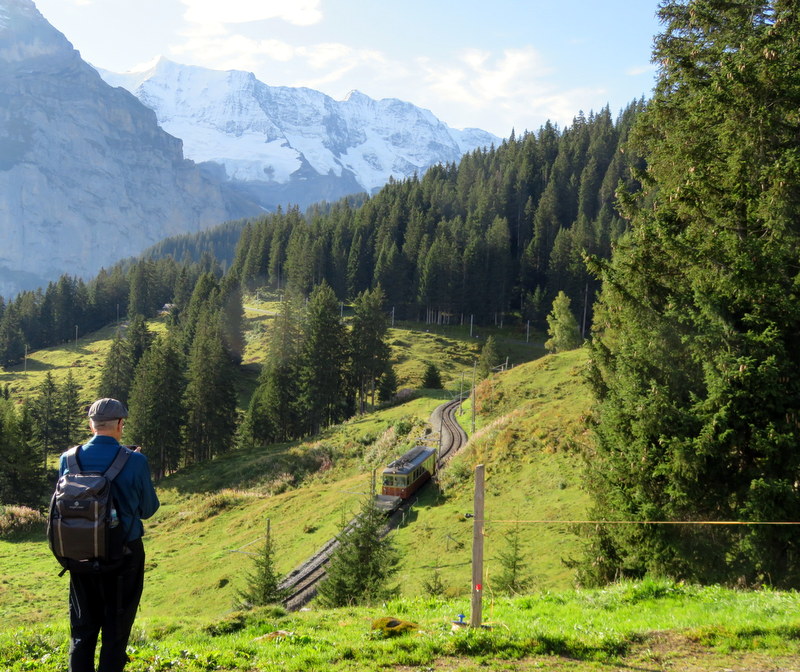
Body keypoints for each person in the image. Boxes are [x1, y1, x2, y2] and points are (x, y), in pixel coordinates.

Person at [58, 397, 160, 672]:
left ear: (91, 425)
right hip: (124, 554)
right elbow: (148, 509)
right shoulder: (136, 461)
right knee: (116, 630)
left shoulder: (68, 458)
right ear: (120, 424)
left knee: (82, 629)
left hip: (80, 554)